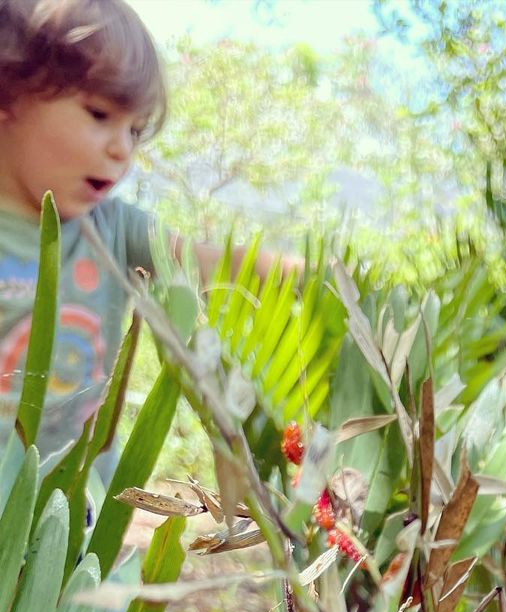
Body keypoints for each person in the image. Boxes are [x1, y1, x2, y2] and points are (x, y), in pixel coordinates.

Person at [0, 0, 299, 466]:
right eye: (99, 114)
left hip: (82, 514)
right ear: (7, 94)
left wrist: (315, 274)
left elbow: (210, 262)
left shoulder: (112, 229)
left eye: (135, 130)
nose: (122, 149)